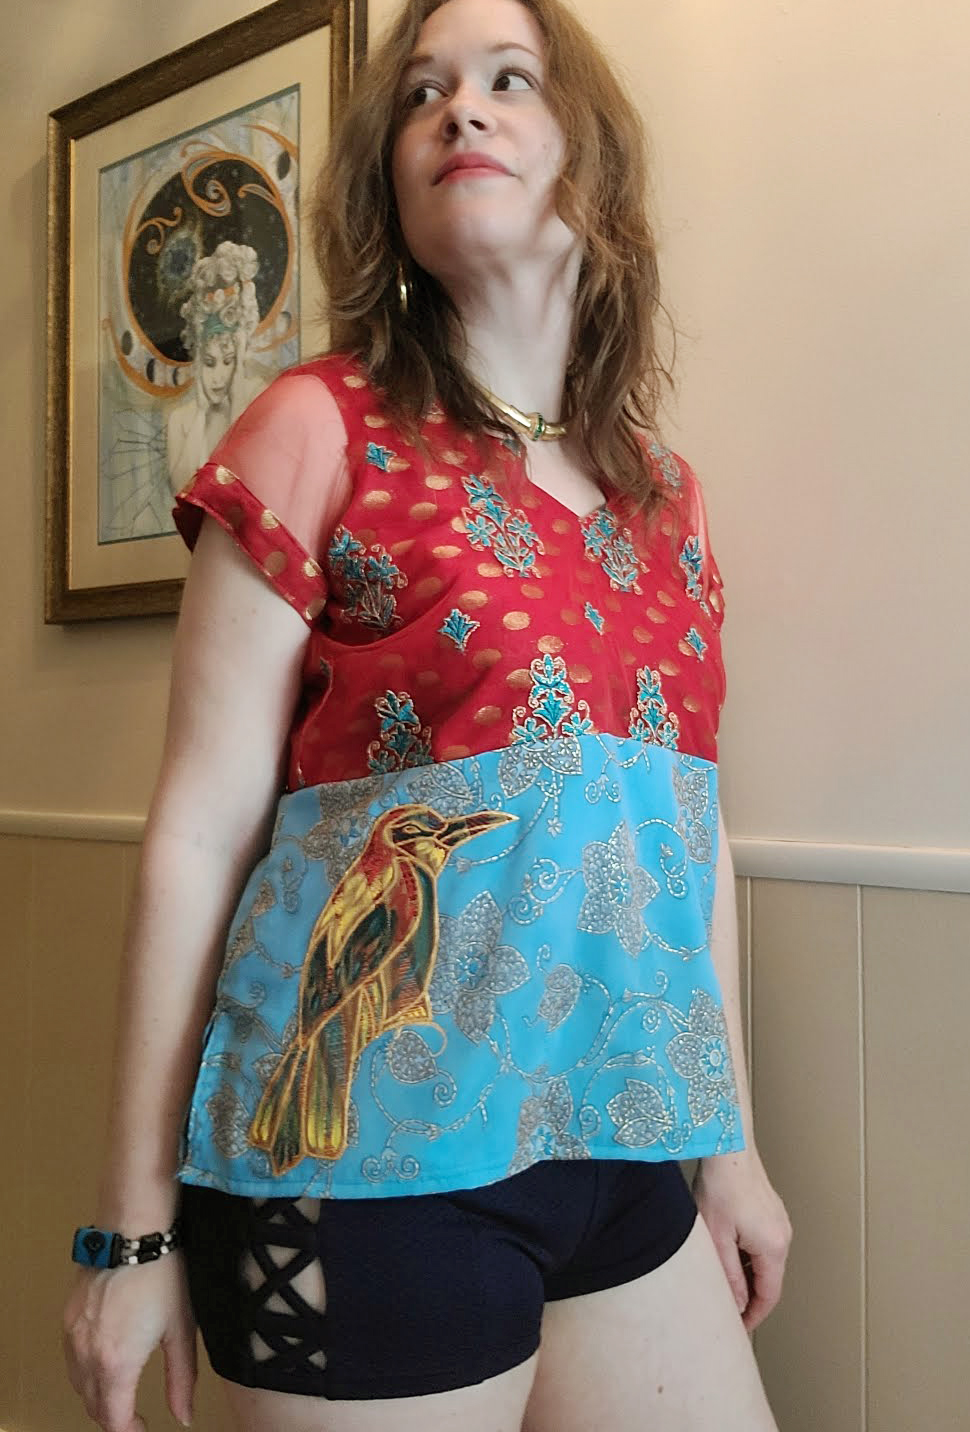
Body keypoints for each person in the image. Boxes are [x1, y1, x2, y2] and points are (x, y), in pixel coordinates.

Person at [63, 1, 792, 1428]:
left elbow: (685, 841)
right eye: (421, 93)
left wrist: (731, 1150)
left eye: (510, 80)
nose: (460, 109)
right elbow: (199, 835)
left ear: (592, 155)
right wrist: (131, 1234)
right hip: (364, 1170)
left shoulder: (666, 498)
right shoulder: (315, 426)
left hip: (622, 1152)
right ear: (385, 183)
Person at [165, 240, 268, 495]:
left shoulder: (259, 402)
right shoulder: (180, 420)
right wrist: (201, 414)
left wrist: (237, 401)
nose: (218, 378)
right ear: (197, 358)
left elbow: (250, 483)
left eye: (229, 361)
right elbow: (182, 490)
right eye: (209, 363)